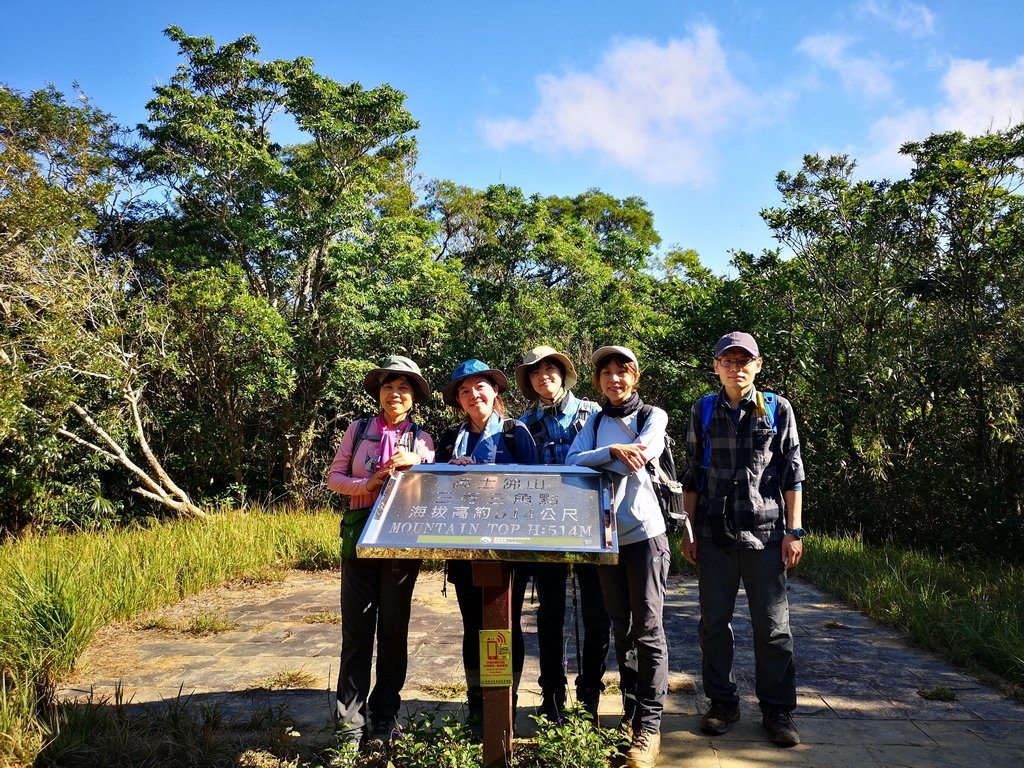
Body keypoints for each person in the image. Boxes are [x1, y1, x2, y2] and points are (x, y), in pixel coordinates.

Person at [678, 331, 805, 747]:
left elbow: (792, 473)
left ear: (758, 364)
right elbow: (693, 474)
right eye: (728, 361)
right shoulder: (703, 409)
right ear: (716, 366)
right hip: (714, 534)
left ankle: (777, 710)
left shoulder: (777, 409)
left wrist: (794, 530)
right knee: (714, 624)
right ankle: (722, 703)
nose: (736, 367)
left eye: (743, 360)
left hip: (767, 535)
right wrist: (689, 529)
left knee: (773, 628)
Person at [566, 346, 669, 768]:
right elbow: (572, 461)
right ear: (598, 382)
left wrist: (609, 459)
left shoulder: (652, 416)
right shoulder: (593, 421)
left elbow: (642, 455)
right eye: (606, 373)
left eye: (621, 372)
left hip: (644, 535)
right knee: (621, 629)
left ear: (635, 376)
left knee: (648, 629)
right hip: (606, 539)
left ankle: (649, 725)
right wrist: (609, 453)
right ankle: (630, 711)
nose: (614, 379)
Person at [326, 355, 435, 745]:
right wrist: (369, 484)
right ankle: (349, 725)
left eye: (404, 388)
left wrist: (419, 462)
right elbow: (334, 478)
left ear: (413, 397)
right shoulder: (357, 431)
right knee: (356, 634)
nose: (395, 393)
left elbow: (433, 482)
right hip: (359, 542)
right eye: (389, 386)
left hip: (402, 545)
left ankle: (384, 717)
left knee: (393, 632)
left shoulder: (422, 438)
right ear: (379, 393)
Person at [434, 358, 539, 729]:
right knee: (473, 626)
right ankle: (478, 706)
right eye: (464, 391)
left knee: (505, 626)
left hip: (510, 547)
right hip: (464, 547)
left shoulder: (516, 432)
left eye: (480, 387)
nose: (472, 395)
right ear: (459, 401)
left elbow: (535, 489)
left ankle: (504, 706)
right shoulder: (451, 438)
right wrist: (452, 473)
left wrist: (493, 478)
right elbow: (437, 491)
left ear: (495, 391)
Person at [515, 345, 610, 724]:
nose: (544, 376)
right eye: (536, 372)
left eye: (551, 369)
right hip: (545, 527)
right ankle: (552, 694)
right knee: (549, 612)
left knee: (597, 612)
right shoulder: (523, 424)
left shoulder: (593, 413)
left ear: (564, 374)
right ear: (530, 381)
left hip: (591, 522)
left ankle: (590, 695)